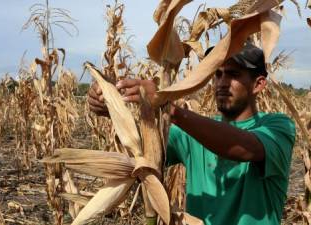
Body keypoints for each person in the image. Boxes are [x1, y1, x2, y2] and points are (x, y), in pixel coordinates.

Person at [87, 43, 296, 225]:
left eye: (233, 74)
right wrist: (113, 103)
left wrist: (167, 106)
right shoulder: (192, 133)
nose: (222, 82)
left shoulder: (277, 127)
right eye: (218, 74)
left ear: (258, 84)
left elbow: (245, 148)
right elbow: (146, 147)